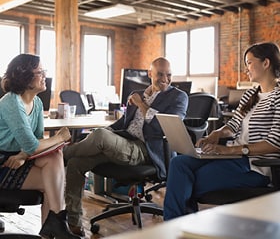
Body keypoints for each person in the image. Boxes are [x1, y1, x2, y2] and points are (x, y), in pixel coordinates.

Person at [63, 57, 188, 236]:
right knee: (76, 163)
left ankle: (61, 154)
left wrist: (140, 104)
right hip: (124, 142)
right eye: (160, 74)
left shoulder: (178, 97)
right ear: (149, 74)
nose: (165, 79)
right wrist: (101, 135)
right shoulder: (139, 93)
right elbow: (123, 123)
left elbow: (162, 127)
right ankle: (74, 222)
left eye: (168, 75)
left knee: (96, 137)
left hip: (147, 151)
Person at [163, 42, 280, 220]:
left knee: (186, 182)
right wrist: (217, 134)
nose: (246, 69)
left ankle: (175, 228)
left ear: (266, 63)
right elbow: (233, 125)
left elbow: (275, 145)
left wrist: (230, 150)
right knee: (179, 163)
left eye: (250, 63)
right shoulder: (250, 95)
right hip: (234, 158)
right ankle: (176, 229)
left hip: (256, 167)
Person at [0, 54, 80, 239]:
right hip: (3, 162)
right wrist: (60, 137)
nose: (45, 75)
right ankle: (56, 226)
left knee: (53, 159)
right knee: (52, 182)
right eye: (40, 72)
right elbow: (33, 145)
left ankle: (55, 227)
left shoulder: (36, 103)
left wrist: (23, 155)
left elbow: (36, 143)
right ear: (25, 77)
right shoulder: (11, 102)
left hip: (18, 159)